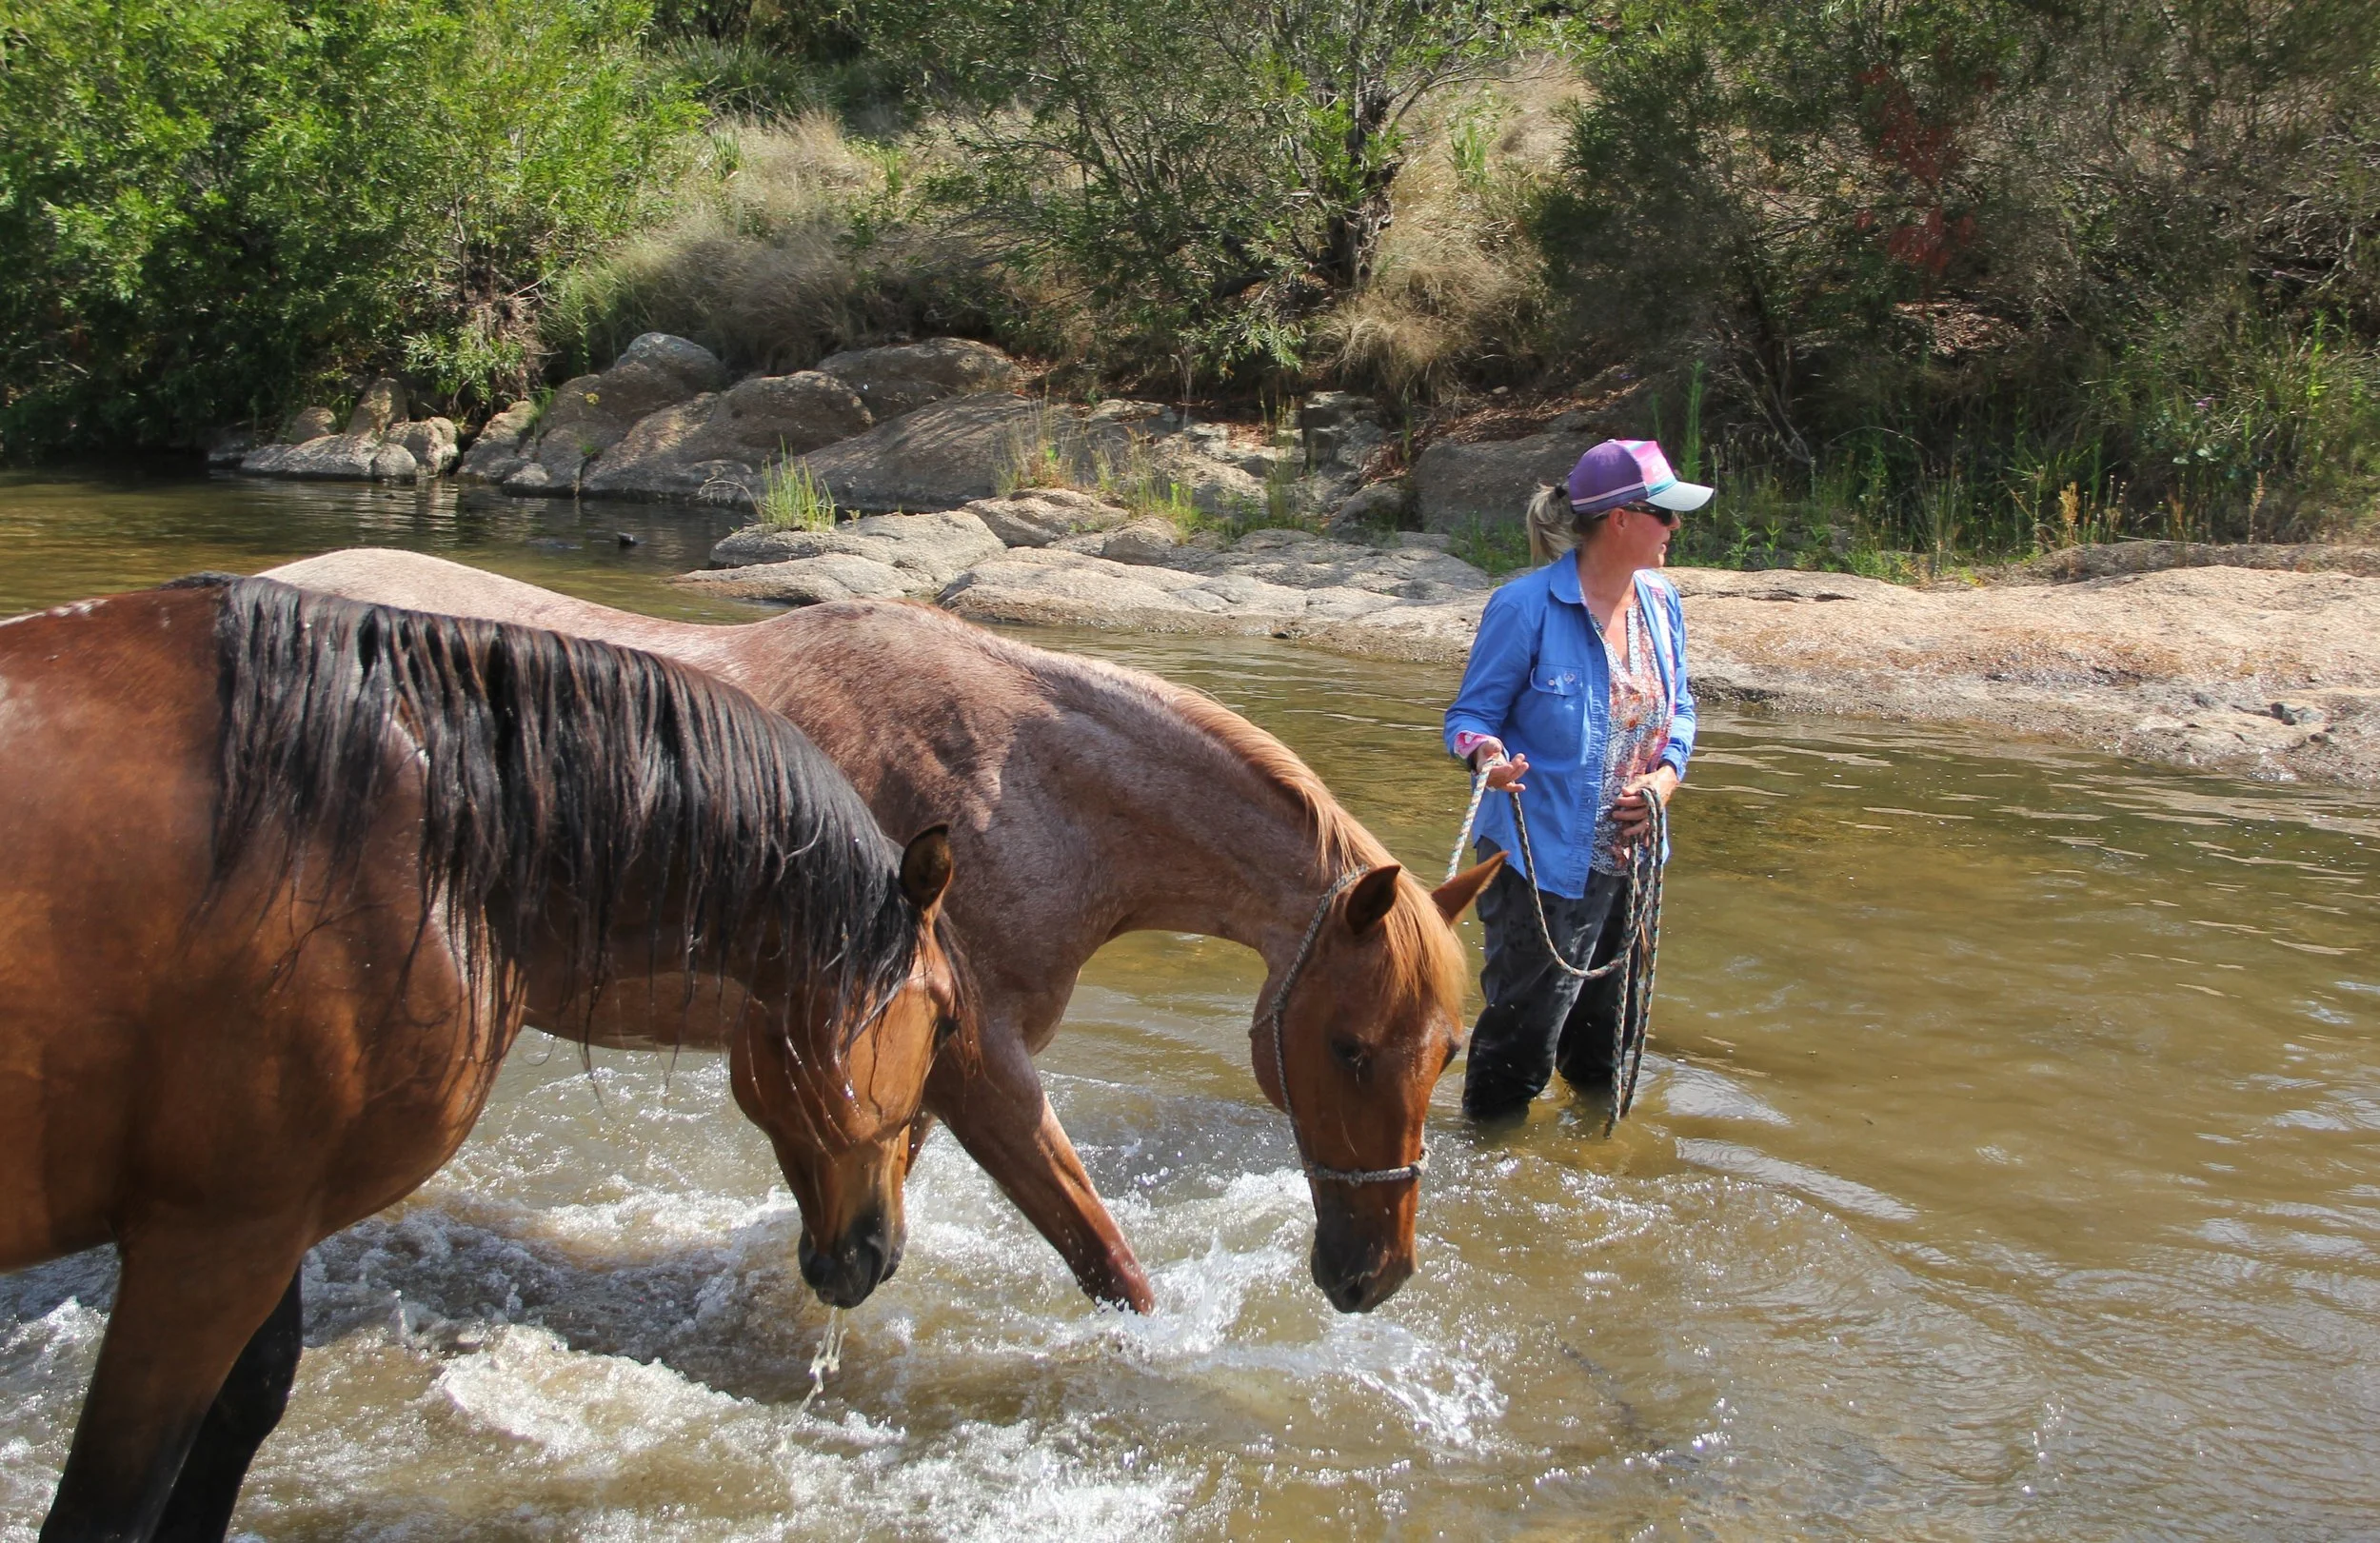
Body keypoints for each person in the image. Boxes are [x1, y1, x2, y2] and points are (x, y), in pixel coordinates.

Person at [1441, 438, 1705, 1121]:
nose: (1677, 526)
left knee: (1604, 1054)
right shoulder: (1524, 607)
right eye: (1664, 513)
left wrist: (1663, 784)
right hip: (1539, 870)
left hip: (1634, 866)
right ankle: (1486, 1172)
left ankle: (1593, 1166)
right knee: (1519, 1054)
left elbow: (1679, 710)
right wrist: (1488, 760)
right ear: (1619, 518)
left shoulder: (1662, 603)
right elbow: (1469, 716)